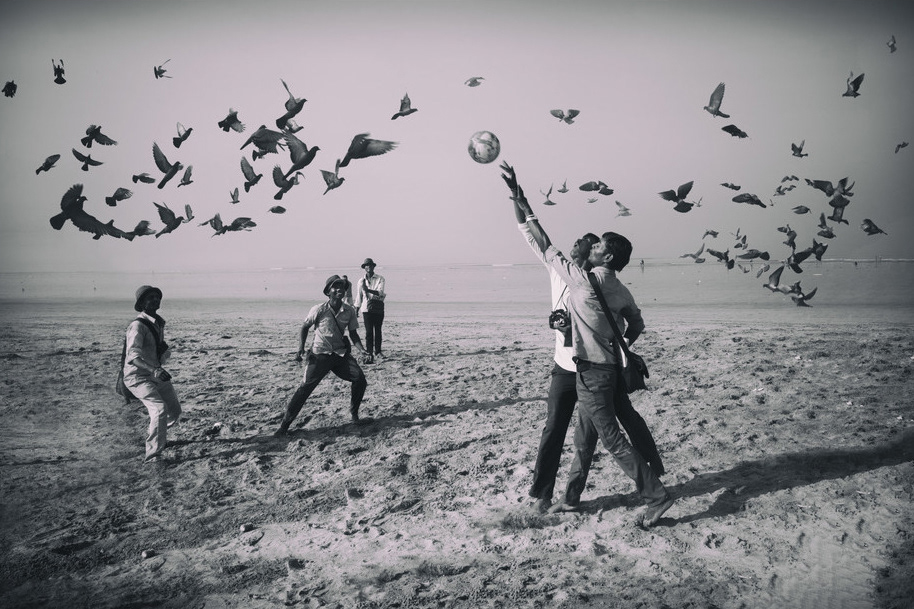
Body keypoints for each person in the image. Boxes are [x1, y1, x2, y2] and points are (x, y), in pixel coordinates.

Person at [502, 163, 674, 527]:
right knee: (582, 437)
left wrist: (524, 201)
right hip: (596, 370)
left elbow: (546, 243)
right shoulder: (619, 288)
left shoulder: (580, 280)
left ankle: (656, 495)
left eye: (596, 244)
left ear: (604, 256)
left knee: (611, 438)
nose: (589, 245)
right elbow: (637, 322)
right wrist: (619, 342)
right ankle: (569, 498)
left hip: (592, 374)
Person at [274, 275, 370, 437]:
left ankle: (354, 416)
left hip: (340, 354)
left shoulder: (349, 311)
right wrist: (300, 349)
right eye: (336, 287)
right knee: (304, 389)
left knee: (360, 379)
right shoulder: (319, 309)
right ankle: (284, 426)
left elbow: (353, 334)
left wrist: (362, 350)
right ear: (328, 292)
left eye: (342, 287)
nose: (340, 289)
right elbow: (305, 327)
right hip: (319, 355)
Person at [122, 285, 182, 463]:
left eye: (157, 297)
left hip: (155, 373)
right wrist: (155, 369)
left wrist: (162, 352)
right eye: (150, 297)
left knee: (174, 411)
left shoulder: (158, 323)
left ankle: (158, 436)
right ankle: (153, 455)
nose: (156, 300)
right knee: (159, 409)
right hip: (138, 377)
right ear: (142, 304)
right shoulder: (137, 326)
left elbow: (156, 353)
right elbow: (133, 357)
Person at [354, 258, 386, 362]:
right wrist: (356, 309)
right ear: (364, 268)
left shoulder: (380, 278)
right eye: (366, 265)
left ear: (373, 266)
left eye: (370, 265)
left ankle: (378, 351)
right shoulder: (361, 281)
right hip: (366, 308)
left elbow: (380, 292)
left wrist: (368, 290)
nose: (368, 267)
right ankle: (369, 352)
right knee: (369, 332)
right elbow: (359, 296)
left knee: (378, 330)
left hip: (378, 307)